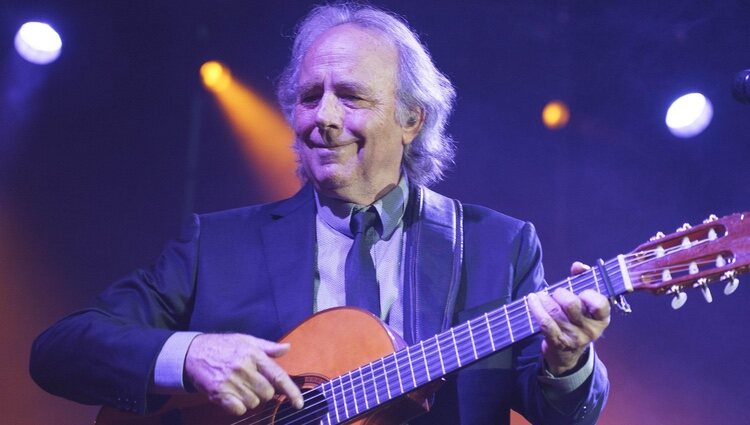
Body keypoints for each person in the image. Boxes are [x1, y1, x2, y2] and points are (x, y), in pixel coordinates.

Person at [30, 3, 610, 424]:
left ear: (413, 119)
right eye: (309, 97)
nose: (322, 118)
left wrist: (568, 358)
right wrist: (191, 355)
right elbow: (60, 350)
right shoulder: (218, 245)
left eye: (351, 97)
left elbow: (563, 416)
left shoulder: (497, 247)